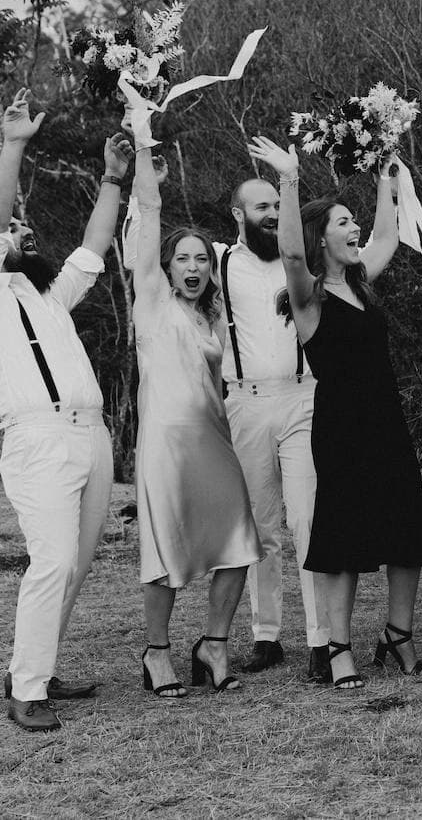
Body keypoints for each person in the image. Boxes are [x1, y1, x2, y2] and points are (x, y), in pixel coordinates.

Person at [246, 137, 422, 690]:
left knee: (407, 534)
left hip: (387, 421)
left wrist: (386, 181)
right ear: (320, 238)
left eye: (354, 221)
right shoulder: (309, 299)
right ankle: (338, 648)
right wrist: (288, 178)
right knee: (344, 543)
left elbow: (385, 237)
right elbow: (288, 256)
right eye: (343, 223)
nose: (355, 230)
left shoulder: (359, 281)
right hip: (342, 428)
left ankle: (397, 638)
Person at [0, 95, 127, 732]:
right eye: (16, 232)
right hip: (36, 439)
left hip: (92, 436)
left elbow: (94, 245)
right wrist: (15, 144)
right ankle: (26, 692)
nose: (26, 234)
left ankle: (38, 668)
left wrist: (112, 176)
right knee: (51, 560)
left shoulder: (52, 294)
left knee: (74, 563)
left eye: (28, 231)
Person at [127, 141, 262, 698]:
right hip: (164, 444)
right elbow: (147, 227)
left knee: (240, 544)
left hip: (214, 440)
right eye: (183, 258)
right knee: (165, 551)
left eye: (202, 259)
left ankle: (214, 644)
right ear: (166, 266)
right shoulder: (152, 302)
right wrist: (145, 169)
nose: (194, 267)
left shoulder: (213, 318)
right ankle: (157, 652)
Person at [214, 175, 330, 679]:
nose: (272, 214)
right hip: (246, 402)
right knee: (261, 526)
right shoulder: (217, 261)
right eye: (261, 206)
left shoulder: (300, 260)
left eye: (278, 206)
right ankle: (266, 635)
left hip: (305, 398)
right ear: (238, 214)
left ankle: (322, 639)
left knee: (307, 519)